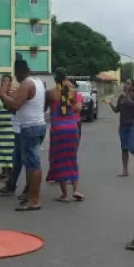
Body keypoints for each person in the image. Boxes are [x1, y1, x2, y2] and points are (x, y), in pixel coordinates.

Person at [0, 58, 47, 212]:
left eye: (16, 75)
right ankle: (30, 195)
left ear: (19, 72)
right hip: (38, 126)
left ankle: (34, 200)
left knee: (33, 165)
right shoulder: (38, 82)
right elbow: (15, 108)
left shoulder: (26, 84)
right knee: (30, 164)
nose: (16, 79)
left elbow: (14, 105)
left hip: (30, 128)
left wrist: (0, 94)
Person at [45, 68, 83, 202]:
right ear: (66, 77)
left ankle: (64, 195)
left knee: (60, 160)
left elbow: (43, 109)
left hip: (58, 130)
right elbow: (78, 108)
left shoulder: (50, 94)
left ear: (54, 78)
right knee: (72, 159)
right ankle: (75, 190)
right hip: (72, 128)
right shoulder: (73, 92)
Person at [109, 79, 134, 177]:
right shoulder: (121, 96)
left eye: (129, 84)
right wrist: (110, 104)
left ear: (133, 87)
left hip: (133, 126)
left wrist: (128, 96)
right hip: (123, 126)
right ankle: (125, 171)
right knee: (124, 149)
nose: (127, 85)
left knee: (131, 147)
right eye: (126, 83)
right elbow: (117, 110)